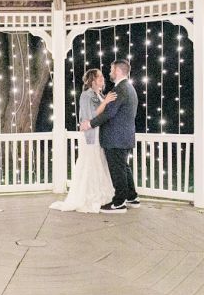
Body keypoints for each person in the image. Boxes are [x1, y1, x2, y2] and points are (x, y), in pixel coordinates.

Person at [50, 69, 117, 213]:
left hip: (99, 134)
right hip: (90, 136)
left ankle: (102, 196)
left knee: (99, 163)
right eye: (100, 77)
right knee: (90, 163)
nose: (103, 79)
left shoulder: (99, 94)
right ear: (93, 80)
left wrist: (105, 101)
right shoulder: (86, 95)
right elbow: (91, 115)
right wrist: (105, 102)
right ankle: (88, 197)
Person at [80, 60, 139, 213]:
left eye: (112, 69)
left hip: (116, 138)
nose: (109, 73)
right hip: (124, 136)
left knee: (118, 170)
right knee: (124, 168)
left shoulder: (120, 89)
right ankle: (132, 197)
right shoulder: (128, 87)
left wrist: (91, 124)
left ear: (118, 71)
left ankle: (119, 202)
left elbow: (109, 113)